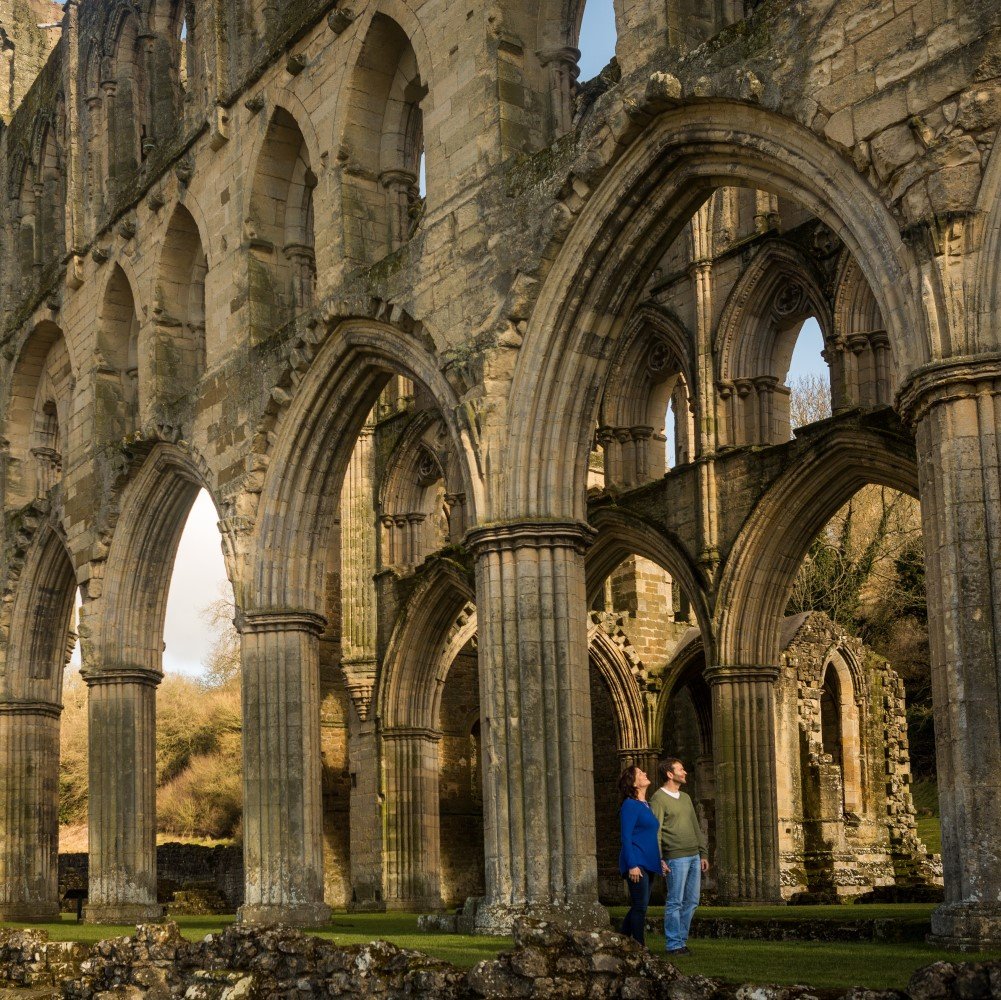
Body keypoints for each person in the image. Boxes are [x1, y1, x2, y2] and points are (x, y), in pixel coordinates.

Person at [649, 757, 708, 956]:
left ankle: (681, 942)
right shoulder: (658, 798)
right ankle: (673, 944)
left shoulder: (685, 798)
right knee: (675, 901)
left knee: (692, 901)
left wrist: (703, 852)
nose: (685, 772)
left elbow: (695, 825)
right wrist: (659, 858)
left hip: (693, 856)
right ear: (669, 774)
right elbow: (655, 831)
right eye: (680, 770)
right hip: (675, 857)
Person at [616, 765, 665, 946]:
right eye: (640, 773)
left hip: (647, 861)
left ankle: (621, 941)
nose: (645, 773)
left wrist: (660, 861)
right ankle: (639, 945)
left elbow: (647, 837)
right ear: (633, 783)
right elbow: (626, 837)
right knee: (640, 906)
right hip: (636, 862)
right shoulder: (630, 805)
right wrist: (632, 865)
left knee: (640, 905)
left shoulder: (646, 806)